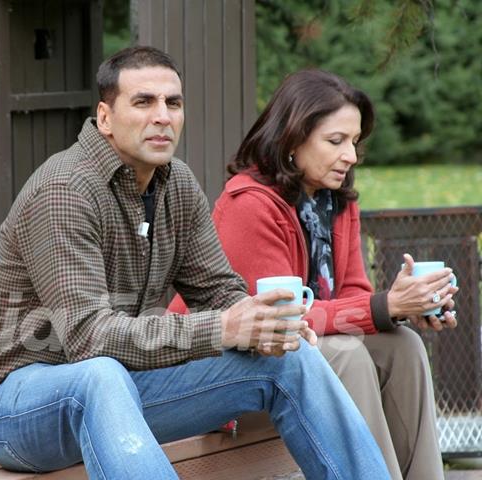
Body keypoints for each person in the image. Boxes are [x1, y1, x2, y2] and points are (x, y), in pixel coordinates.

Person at [0, 47, 390, 479]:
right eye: (143, 102)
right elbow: (89, 339)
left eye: (173, 103)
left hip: (125, 386)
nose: (162, 116)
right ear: (105, 117)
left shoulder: (176, 183)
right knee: (99, 375)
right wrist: (221, 328)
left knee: (294, 359)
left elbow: (218, 290)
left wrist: (264, 323)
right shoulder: (65, 191)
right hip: (14, 407)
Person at [170, 69, 457, 480]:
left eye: (355, 142)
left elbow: (354, 297)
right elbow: (282, 320)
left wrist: (404, 309)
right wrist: (383, 305)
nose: (351, 156)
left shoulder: (334, 201)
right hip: (222, 373)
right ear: (293, 139)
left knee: (403, 347)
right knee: (346, 355)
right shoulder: (249, 205)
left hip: (294, 359)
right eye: (335, 141)